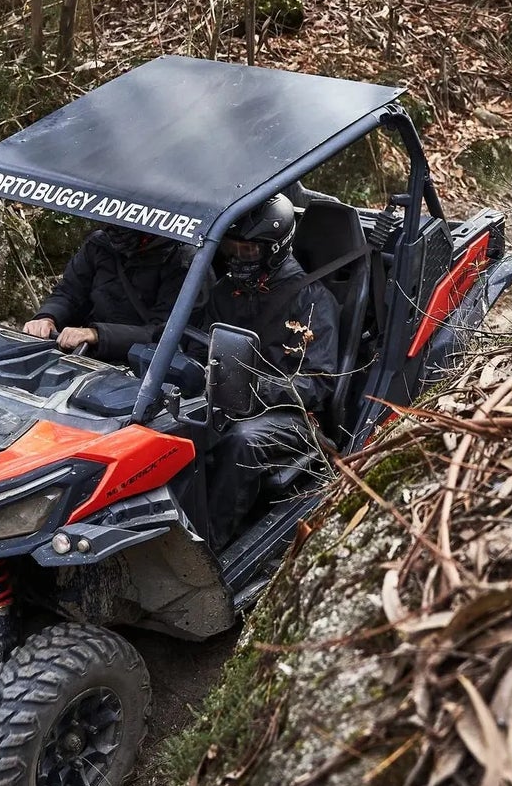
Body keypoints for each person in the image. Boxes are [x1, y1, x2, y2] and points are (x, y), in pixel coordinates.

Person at [195, 195, 339, 540]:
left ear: (275, 248)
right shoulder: (224, 292)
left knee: (241, 442)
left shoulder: (312, 300)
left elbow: (318, 383)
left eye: (248, 252)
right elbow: (198, 343)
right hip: (222, 399)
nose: (238, 259)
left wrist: (255, 391)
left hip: (292, 415)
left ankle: (214, 545)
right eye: (232, 249)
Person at [22, 225, 190, 362]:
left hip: (144, 369)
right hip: (86, 357)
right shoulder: (100, 243)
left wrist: (97, 334)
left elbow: (168, 333)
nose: (115, 230)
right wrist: (47, 317)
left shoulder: (182, 261)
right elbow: (69, 292)